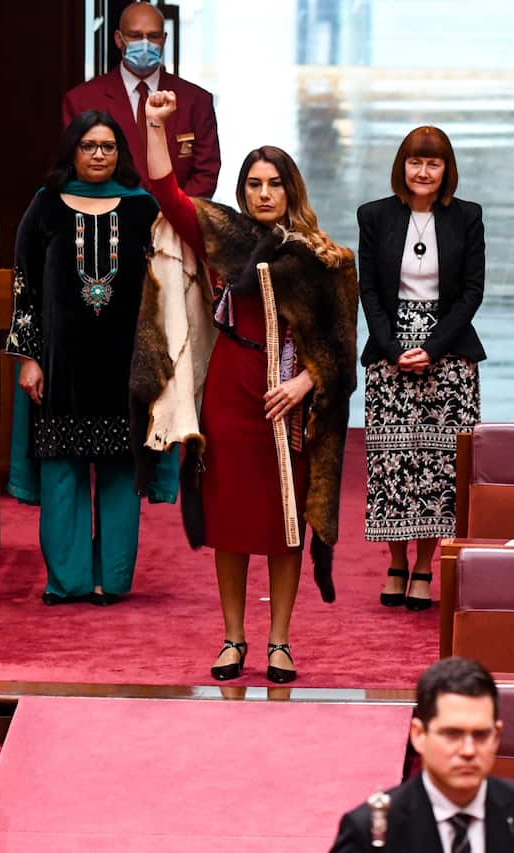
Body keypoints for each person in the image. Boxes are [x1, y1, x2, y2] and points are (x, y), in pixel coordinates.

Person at [133, 89, 358, 683]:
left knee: (287, 525)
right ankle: (233, 639)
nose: (263, 193)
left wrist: (306, 382)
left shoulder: (325, 259)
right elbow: (165, 191)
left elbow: (341, 351)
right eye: (254, 184)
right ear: (243, 191)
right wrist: (155, 124)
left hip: (290, 405)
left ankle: (279, 643)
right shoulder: (224, 236)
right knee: (230, 524)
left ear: (291, 191)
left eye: (273, 184)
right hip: (229, 396)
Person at [5, 109, 165, 607]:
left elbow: (165, 289)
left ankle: (110, 580)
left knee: (121, 472)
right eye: (89, 146)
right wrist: (29, 358)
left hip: (124, 366)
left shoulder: (143, 209)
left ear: (121, 154)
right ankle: (68, 581)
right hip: (60, 367)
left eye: (108, 147)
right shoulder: (45, 206)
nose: (99, 155)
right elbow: (24, 286)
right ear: (72, 151)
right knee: (62, 474)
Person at [358, 126, 485, 611]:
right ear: (402, 167)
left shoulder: (467, 217)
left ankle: (425, 567)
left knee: (439, 466)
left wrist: (431, 346)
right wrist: (392, 349)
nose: (423, 172)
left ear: (446, 170)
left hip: (447, 351)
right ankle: (394, 562)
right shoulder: (375, 216)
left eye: (433, 164)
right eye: (415, 162)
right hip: (391, 350)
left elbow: (472, 291)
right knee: (392, 463)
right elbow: (368, 289)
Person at [331, 657, 514, 852]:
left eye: (481, 735)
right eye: (452, 734)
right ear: (419, 734)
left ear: (497, 735)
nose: (468, 751)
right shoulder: (369, 830)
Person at [61, 1, 220, 197]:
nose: (145, 44)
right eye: (135, 36)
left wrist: (175, 215)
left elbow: (206, 172)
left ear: (164, 39)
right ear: (119, 39)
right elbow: (76, 169)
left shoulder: (196, 100)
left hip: (176, 222)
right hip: (112, 219)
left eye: (153, 36)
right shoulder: (82, 100)